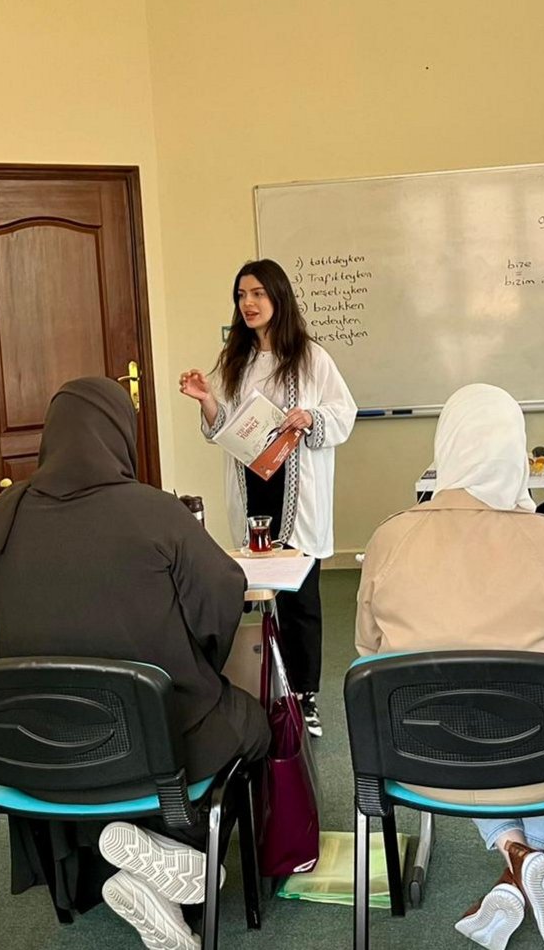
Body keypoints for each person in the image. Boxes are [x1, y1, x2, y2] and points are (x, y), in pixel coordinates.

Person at [0, 377, 270, 950]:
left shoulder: (1, 518)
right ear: (118, 435)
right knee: (252, 724)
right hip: (156, 744)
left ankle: (133, 874)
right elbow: (219, 604)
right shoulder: (155, 512)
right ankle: (187, 861)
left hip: (35, 747)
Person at [356, 384, 544, 950]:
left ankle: (512, 858)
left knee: (457, 712)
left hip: (420, 764)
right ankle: (530, 854)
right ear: (516, 450)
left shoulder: (390, 537)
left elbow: (368, 656)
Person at [179, 258, 356, 736]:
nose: (249, 303)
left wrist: (310, 417)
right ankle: (256, 688)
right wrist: (207, 399)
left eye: (257, 293)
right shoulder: (235, 360)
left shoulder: (312, 357)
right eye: (241, 295)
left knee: (302, 599)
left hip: (298, 491)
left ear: (278, 297)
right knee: (254, 591)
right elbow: (225, 429)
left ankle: (306, 696)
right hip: (252, 486)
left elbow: (344, 413)